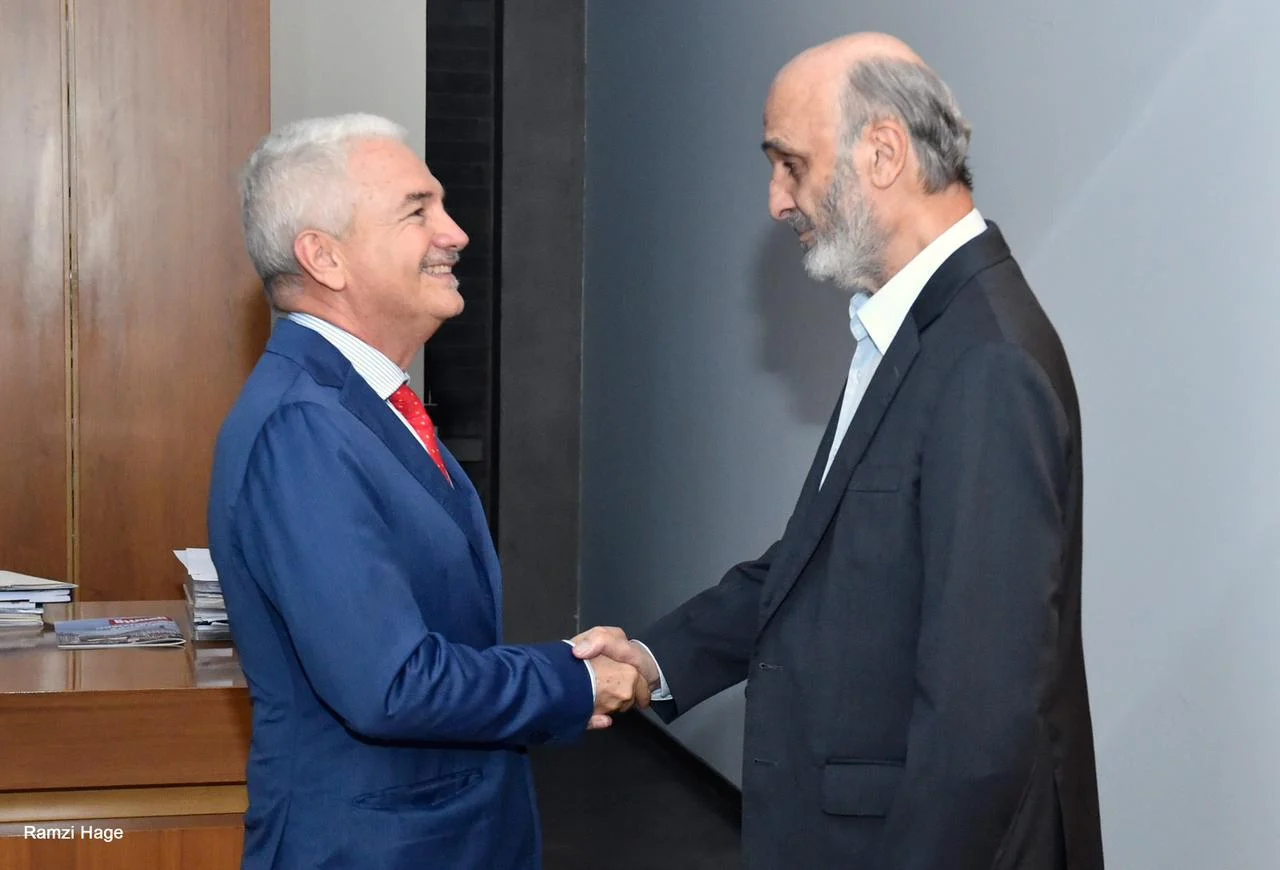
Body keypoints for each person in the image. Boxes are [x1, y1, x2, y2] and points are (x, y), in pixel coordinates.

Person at [573, 33, 1104, 869]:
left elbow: (978, 726)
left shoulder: (985, 362)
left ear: (883, 153)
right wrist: (654, 659)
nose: (777, 200)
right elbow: (820, 561)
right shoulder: (918, 331)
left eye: (791, 164)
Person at [208, 113, 648, 870]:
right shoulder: (301, 427)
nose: (456, 234)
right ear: (325, 257)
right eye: (418, 211)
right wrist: (575, 681)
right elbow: (391, 682)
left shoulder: (365, 405)